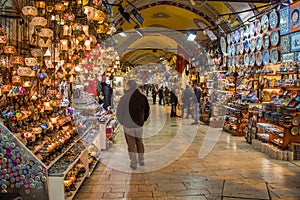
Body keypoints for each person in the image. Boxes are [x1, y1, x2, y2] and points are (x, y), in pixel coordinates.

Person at [116, 80, 150, 170]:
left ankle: (134, 163)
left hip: (128, 125)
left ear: (128, 86)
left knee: (131, 145)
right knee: (139, 142)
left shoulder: (124, 98)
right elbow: (147, 110)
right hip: (139, 125)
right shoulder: (142, 97)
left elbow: (119, 112)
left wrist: (122, 122)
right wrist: (143, 120)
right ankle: (141, 160)